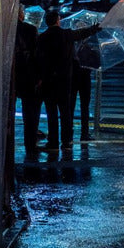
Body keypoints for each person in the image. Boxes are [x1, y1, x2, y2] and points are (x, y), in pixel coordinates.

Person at [35, 9, 98, 152]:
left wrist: (39, 78)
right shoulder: (66, 34)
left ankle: (53, 142)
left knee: (51, 113)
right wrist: (95, 28)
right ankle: (67, 141)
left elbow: (38, 59)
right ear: (58, 20)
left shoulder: (42, 37)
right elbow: (82, 33)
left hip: (48, 81)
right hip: (64, 80)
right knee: (65, 112)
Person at [14, 7, 43, 155]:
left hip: (11, 76)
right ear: (21, 14)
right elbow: (37, 55)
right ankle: (30, 144)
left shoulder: (5, 30)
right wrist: (39, 77)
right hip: (28, 76)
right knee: (30, 113)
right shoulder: (30, 30)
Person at [71, 52, 93, 141]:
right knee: (84, 107)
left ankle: (69, 132)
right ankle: (84, 133)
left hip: (74, 76)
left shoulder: (73, 46)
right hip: (84, 77)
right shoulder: (90, 47)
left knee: (71, 106)